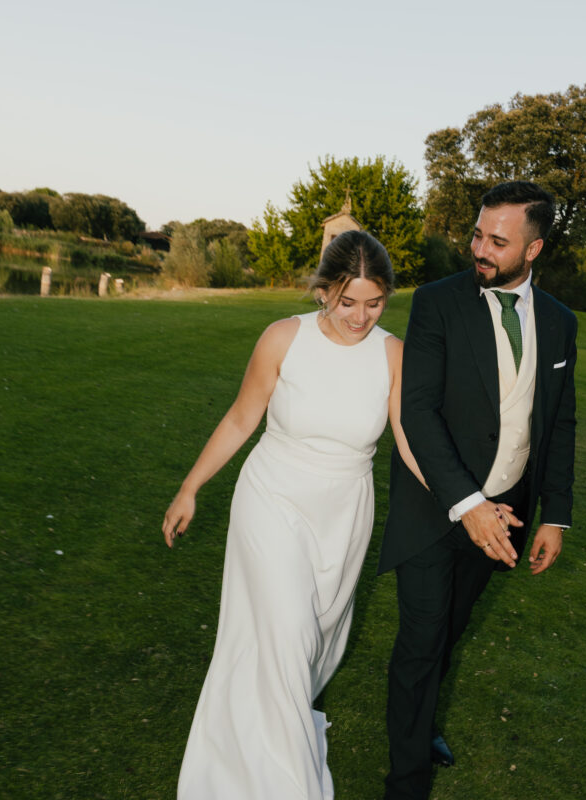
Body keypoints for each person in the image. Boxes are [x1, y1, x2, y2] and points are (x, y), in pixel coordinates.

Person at [162, 230, 424, 800]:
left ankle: (253, 741)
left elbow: (409, 440)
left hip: (344, 511)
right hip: (272, 500)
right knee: (284, 635)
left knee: (307, 647)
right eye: (347, 301)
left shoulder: (392, 354)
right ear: (324, 290)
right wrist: (190, 487)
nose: (360, 317)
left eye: (374, 303)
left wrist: (462, 502)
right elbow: (241, 417)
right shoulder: (283, 338)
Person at [379, 181, 578, 799]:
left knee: (450, 631)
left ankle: (420, 728)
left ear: (534, 248)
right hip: (433, 507)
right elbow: (417, 411)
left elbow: (559, 421)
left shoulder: (560, 322)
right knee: (421, 640)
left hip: (508, 514)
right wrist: (467, 505)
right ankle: (407, 782)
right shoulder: (437, 302)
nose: (480, 249)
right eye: (476, 235)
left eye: (498, 241)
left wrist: (555, 515)